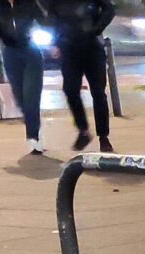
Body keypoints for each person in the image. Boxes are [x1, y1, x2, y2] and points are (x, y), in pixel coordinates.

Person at [48, 0, 117, 152]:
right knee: (70, 90)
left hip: (92, 47)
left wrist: (96, 28)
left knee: (98, 92)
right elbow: (53, 19)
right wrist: (55, 42)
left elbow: (109, 9)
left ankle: (103, 136)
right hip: (69, 49)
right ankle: (83, 130)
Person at [0, 0, 46, 154]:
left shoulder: (29, 3)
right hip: (10, 52)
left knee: (31, 95)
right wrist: (3, 35)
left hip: (30, 51)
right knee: (19, 96)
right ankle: (33, 122)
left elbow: (44, 20)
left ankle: (33, 136)